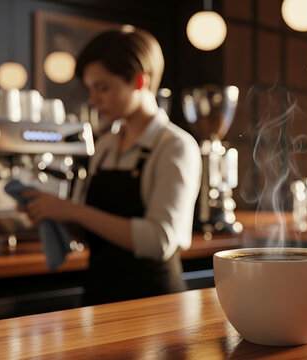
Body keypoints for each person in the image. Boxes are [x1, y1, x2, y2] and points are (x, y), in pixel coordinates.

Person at [19, 27, 201, 306]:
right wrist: (53, 213)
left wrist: (74, 210)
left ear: (139, 81)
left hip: (153, 303)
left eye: (102, 88)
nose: (93, 99)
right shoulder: (105, 144)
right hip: (99, 296)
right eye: (90, 89)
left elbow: (159, 241)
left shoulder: (175, 146)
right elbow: (93, 228)